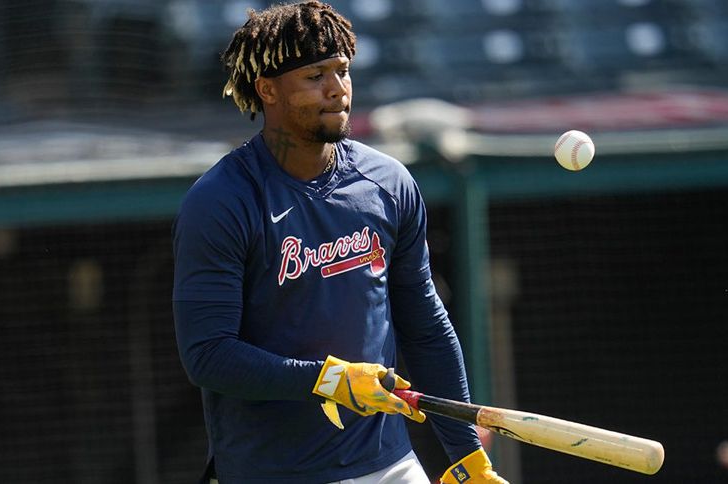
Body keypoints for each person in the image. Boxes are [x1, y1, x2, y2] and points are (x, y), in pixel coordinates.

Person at [172, 2, 508, 483]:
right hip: (273, 472)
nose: (337, 89)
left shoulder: (388, 182)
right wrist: (329, 379)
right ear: (267, 89)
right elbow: (208, 355)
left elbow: (425, 325)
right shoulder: (221, 201)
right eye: (315, 76)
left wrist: (467, 455)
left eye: (343, 71)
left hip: (389, 465)